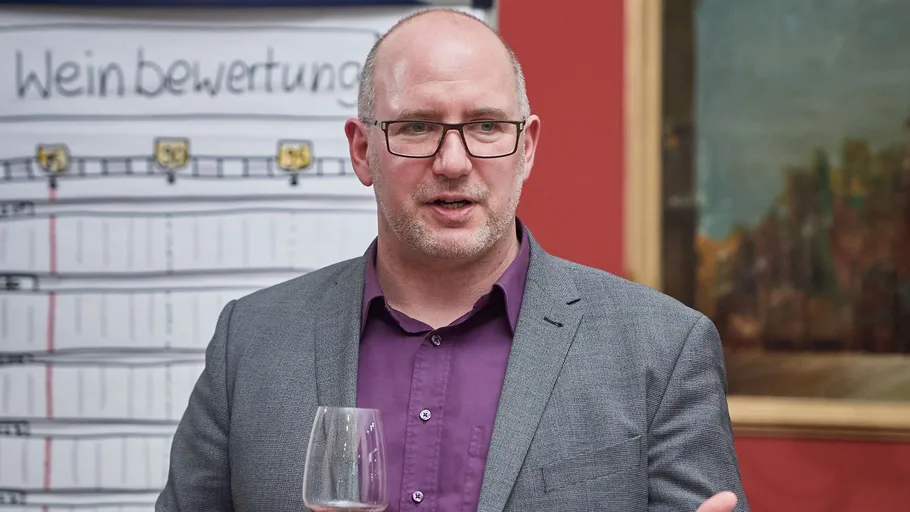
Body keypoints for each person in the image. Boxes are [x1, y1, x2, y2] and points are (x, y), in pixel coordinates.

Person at [156, 8, 748, 512]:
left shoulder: (661, 350)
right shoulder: (251, 343)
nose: (453, 163)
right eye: (417, 126)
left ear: (526, 148)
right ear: (362, 151)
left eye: (486, 126)